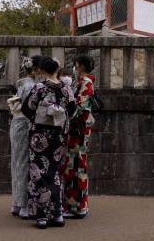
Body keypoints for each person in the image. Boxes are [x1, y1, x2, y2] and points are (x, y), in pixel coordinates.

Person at [22, 56, 76, 229]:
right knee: (53, 170)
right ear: (56, 70)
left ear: (44, 71)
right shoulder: (67, 89)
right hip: (59, 134)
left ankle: (42, 216)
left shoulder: (40, 87)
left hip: (40, 134)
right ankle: (58, 214)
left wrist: (40, 116)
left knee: (38, 170)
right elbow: (72, 110)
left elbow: (27, 108)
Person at [7, 55, 41, 219]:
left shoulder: (21, 84)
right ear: (34, 70)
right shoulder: (32, 86)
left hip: (16, 123)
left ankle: (16, 203)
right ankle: (24, 205)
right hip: (25, 124)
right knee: (26, 162)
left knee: (17, 162)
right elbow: (31, 109)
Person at [63, 54, 96, 219]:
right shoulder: (82, 83)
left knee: (78, 165)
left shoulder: (86, 83)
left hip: (79, 130)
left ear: (81, 66)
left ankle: (78, 206)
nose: (75, 67)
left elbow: (79, 107)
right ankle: (75, 204)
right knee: (74, 165)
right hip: (78, 129)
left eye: (76, 64)